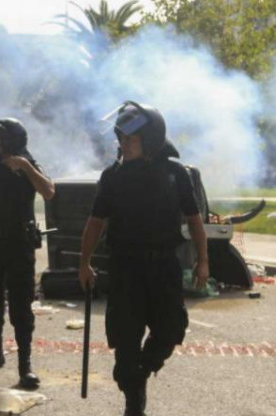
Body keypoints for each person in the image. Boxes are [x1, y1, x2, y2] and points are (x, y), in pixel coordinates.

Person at [78, 101, 208, 416]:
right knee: (125, 339)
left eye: (130, 139)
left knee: (169, 331)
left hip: (164, 265)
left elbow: (194, 220)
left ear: (150, 139)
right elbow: (95, 222)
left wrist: (203, 260)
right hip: (125, 267)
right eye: (120, 139)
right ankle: (133, 402)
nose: (123, 145)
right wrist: (84, 262)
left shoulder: (176, 174)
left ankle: (140, 373)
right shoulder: (113, 176)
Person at [0, 117, 55, 389]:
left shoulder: (27, 166)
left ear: (11, 140)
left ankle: (25, 367)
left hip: (19, 246)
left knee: (21, 306)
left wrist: (26, 167)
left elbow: (49, 192)